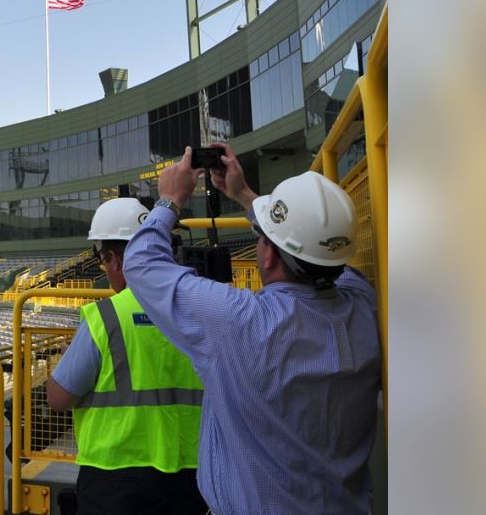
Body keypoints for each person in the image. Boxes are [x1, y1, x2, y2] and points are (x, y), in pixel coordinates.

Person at [124, 144, 381, 515]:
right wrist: (244, 195)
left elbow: (141, 263)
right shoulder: (362, 303)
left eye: (262, 238)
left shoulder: (240, 322)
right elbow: (317, 251)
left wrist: (169, 199)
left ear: (269, 254)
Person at [45, 198, 208, 515]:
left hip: (114, 480)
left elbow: (58, 398)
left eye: (104, 261)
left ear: (115, 260)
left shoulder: (105, 316)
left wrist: (68, 363)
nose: (105, 270)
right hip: (195, 475)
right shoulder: (203, 308)